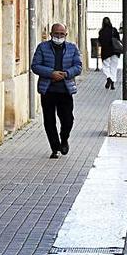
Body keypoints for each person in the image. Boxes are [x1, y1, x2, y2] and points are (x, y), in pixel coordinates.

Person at [31, 23, 83, 160]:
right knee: (49, 120)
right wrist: (51, 73)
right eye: (56, 34)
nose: (58, 36)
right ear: (51, 34)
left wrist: (66, 73)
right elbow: (35, 66)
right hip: (48, 90)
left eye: (61, 34)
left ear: (66, 35)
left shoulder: (72, 48)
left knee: (68, 120)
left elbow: (78, 67)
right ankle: (55, 148)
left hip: (65, 90)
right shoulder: (42, 47)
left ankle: (64, 138)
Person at [98, 17, 122, 90]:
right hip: (115, 51)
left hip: (106, 52)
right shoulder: (114, 30)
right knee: (114, 67)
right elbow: (118, 39)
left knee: (106, 66)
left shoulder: (101, 32)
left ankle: (109, 78)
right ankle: (113, 83)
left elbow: (100, 42)